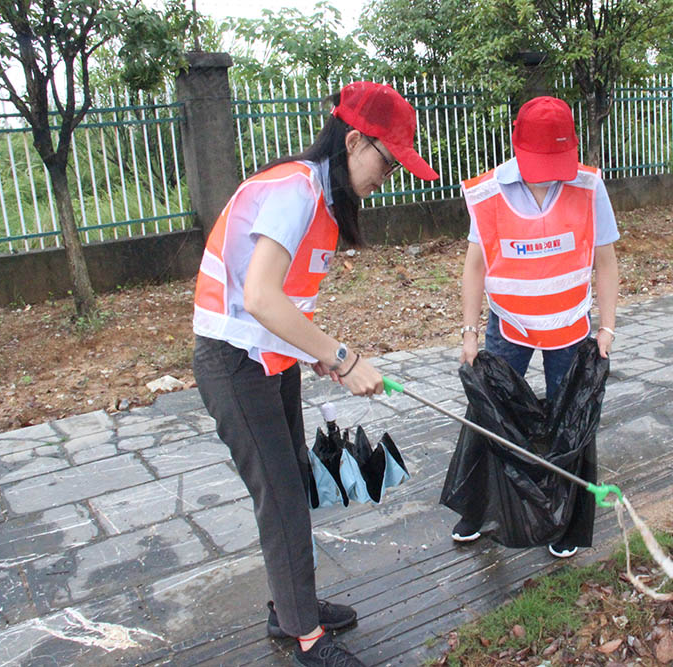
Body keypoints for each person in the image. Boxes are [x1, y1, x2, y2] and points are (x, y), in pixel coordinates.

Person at [191, 81, 438, 667]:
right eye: (388, 160)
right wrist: (342, 357)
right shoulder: (296, 190)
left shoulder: (323, 202)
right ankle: (303, 636)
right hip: (235, 361)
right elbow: (258, 297)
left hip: (269, 358)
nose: (390, 176)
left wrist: (315, 354)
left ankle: (290, 606)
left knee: (292, 480)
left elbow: (288, 303)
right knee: (279, 495)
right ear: (355, 141)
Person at [454, 96, 619, 558]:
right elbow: (474, 267)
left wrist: (607, 328)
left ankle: (566, 521)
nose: (549, 173)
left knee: (572, 423)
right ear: (517, 145)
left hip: (569, 327)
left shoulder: (587, 187)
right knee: (490, 417)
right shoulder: (488, 195)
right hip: (508, 327)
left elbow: (605, 262)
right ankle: (479, 509)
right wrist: (469, 333)